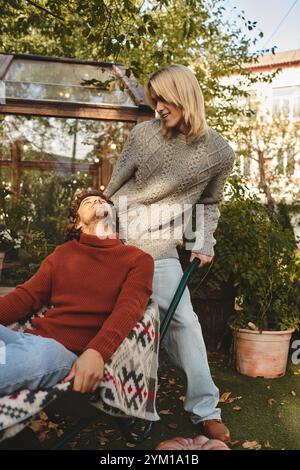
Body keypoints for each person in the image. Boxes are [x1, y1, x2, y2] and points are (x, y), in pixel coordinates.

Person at [103, 64, 236, 442]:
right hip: (118, 239)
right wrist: (98, 227)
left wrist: (203, 242)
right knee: (108, 315)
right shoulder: (143, 134)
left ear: (185, 95)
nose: (158, 106)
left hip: (160, 247)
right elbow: (114, 187)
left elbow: (210, 204)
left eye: (164, 98)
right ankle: (101, 389)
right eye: (154, 99)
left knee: (184, 322)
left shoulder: (219, 152)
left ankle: (205, 410)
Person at [0, 191, 154, 396]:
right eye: (87, 202)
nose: (98, 201)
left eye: (102, 201)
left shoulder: (138, 259)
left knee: (44, 353)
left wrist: (97, 352)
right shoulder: (62, 254)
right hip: (26, 340)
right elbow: (25, 297)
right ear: (78, 223)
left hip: (60, 354)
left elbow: (129, 308)